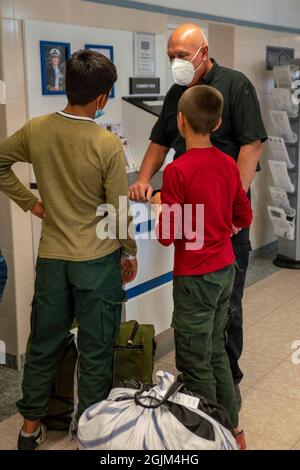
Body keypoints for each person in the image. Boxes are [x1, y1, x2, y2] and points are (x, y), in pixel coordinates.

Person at [0, 50, 137, 450]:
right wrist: (128, 252)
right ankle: (89, 435)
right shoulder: (105, 142)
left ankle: (29, 430)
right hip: (96, 263)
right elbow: (118, 208)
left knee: (43, 343)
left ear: (67, 86)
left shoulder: (37, 129)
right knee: (95, 349)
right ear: (101, 99)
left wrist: (32, 204)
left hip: (53, 259)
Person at [129, 24, 267, 406]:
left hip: (222, 223)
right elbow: (159, 140)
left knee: (227, 308)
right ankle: (218, 396)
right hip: (201, 224)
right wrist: (143, 179)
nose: (175, 62)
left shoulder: (235, 85)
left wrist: (226, 204)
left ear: (203, 52)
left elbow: (251, 147)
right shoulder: (177, 94)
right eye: (170, 54)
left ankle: (223, 382)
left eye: (182, 55)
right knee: (215, 302)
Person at [156, 85, 253, 449]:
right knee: (215, 352)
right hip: (225, 270)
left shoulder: (177, 171)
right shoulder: (228, 164)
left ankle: (210, 437)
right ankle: (234, 430)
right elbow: (243, 215)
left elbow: (168, 235)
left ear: (180, 121)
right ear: (218, 123)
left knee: (196, 362)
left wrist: (159, 207)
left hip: (194, 276)